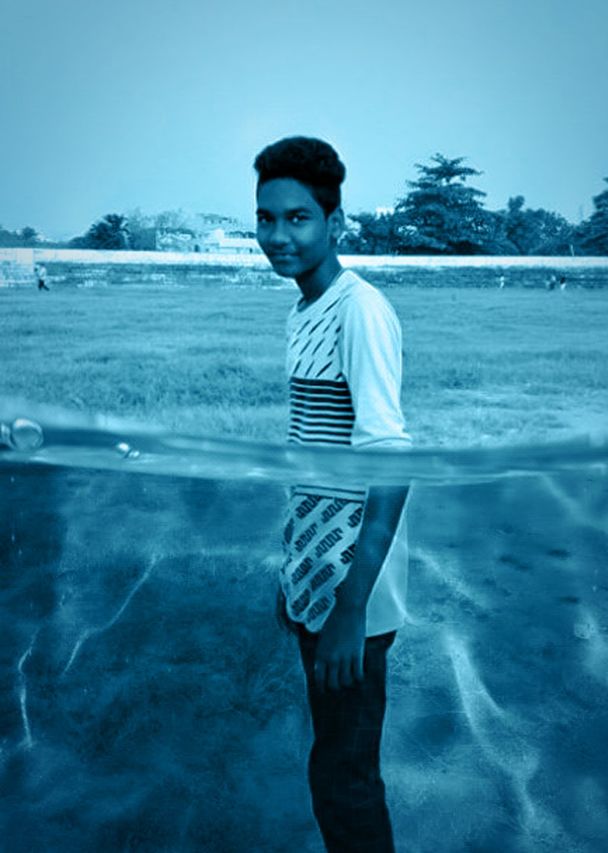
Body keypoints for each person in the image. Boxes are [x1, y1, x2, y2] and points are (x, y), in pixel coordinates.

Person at [254, 136, 412, 852]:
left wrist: (350, 610)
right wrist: (295, 574)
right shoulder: (304, 311)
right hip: (316, 576)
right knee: (336, 762)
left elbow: (392, 462)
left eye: (298, 218)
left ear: (334, 222)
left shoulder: (360, 311)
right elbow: (313, 461)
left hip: (355, 591)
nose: (278, 236)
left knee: (345, 777)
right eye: (266, 218)